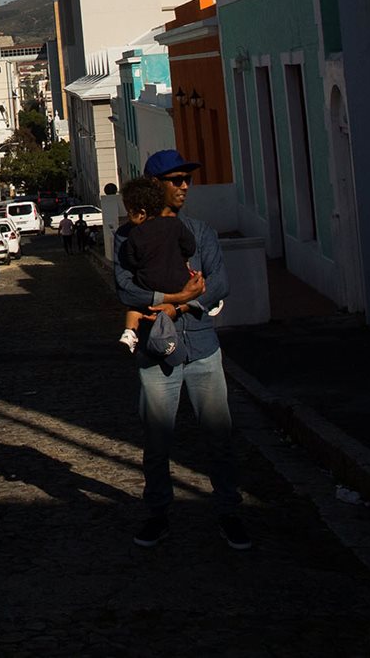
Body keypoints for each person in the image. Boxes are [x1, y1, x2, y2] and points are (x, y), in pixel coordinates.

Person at [114, 151, 250, 551]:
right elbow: (125, 289)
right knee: (156, 440)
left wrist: (180, 305)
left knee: (219, 436)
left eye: (186, 179)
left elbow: (219, 284)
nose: (184, 186)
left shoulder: (200, 231)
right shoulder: (127, 236)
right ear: (155, 185)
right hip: (157, 352)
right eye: (175, 180)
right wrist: (174, 295)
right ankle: (157, 514)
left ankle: (229, 511)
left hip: (203, 346)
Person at [116, 179, 198, 362]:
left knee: (135, 306)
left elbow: (132, 260)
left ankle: (129, 333)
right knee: (195, 292)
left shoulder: (134, 234)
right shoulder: (174, 224)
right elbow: (190, 247)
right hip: (178, 282)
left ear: (142, 213)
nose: (128, 216)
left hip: (150, 284)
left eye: (129, 211)